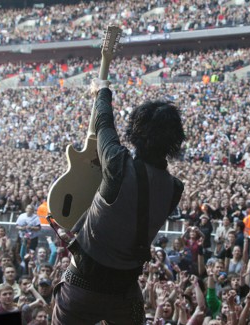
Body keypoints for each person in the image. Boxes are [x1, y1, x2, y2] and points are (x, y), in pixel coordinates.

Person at [52, 78, 185, 324]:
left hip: (82, 285)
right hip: (126, 294)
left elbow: (103, 122)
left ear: (136, 134)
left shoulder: (118, 163)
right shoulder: (175, 189)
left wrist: (102, 90)